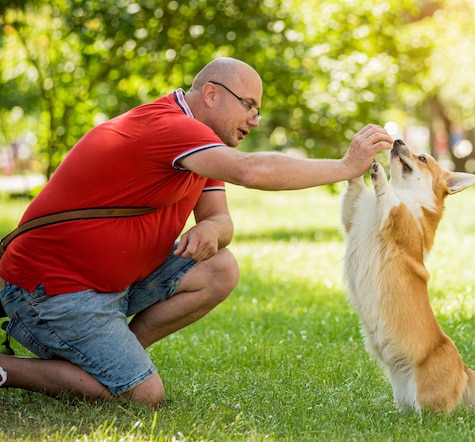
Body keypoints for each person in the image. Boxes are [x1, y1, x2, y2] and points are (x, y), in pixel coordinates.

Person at [0, 57, 392, 408]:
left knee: (221, 268)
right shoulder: (169, 126)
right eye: (249, 105)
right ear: (211, 94)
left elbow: (222, 222)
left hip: (108, 287)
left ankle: (114, 360)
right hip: (50, 291)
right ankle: (8, 369)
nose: (255, 119)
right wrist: (345, 167)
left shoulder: (200, 148)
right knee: (142, 396)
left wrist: (209, 228)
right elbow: (251, 171)